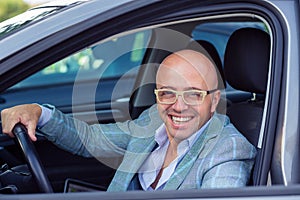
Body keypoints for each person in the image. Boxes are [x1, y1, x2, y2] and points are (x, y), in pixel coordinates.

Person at [1, 49, 256, 191]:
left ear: (213, 101)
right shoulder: (155, 119)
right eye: (167, 92)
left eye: (193, 94)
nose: (178, 106)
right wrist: (38, 113)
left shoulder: (227, 150)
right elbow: (92, 140)